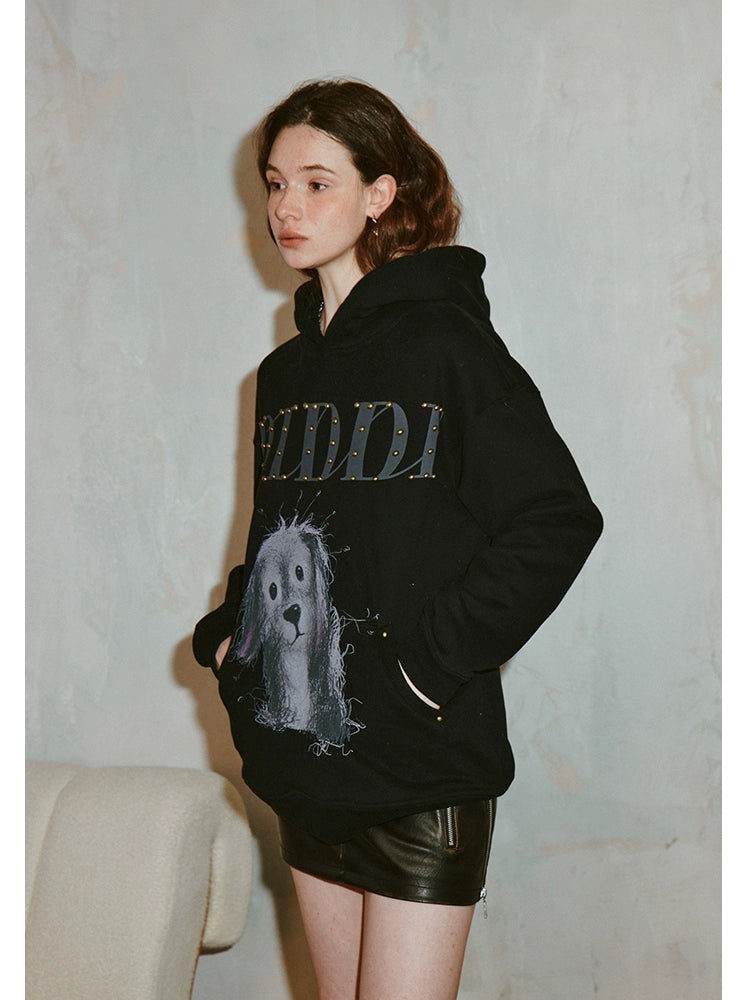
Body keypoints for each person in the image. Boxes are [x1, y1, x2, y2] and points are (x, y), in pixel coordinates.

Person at [193, 79, 603, 1000]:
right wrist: (232, 644)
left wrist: (422, 666)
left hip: (421, 774)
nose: (286, 208)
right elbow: (281, 542)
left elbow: (555, 518)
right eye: (275, 184)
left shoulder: (447, 346)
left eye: (317, 183)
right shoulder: (283, 376)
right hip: (308, 766)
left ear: (379, 194)